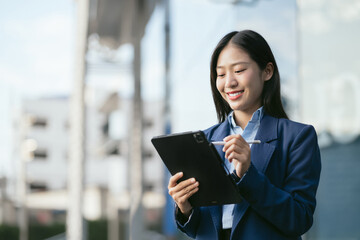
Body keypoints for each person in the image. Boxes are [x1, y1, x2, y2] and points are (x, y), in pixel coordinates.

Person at [167, 30, 321, 240]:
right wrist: (184, 208)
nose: (228, 82)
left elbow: (299, 219)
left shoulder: (298, 137)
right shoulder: (204, 140)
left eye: (239, 70)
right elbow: (200, 228)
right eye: (221, 74)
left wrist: (248, 174)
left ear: (267, 71)